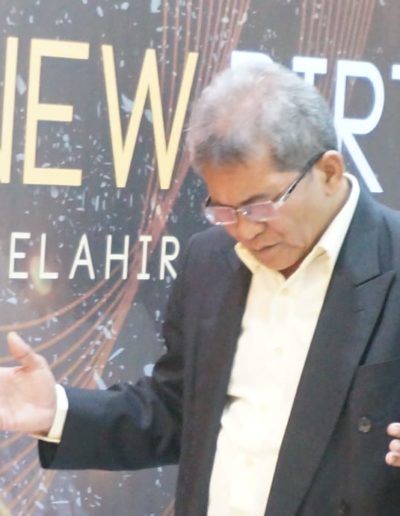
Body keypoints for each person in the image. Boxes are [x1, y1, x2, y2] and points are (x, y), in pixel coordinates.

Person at [2, 61, 400, 516]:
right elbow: (178, 409)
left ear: (329, 171)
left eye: (260, 206)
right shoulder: (210, 260)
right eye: (224, 211)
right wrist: (55, 410)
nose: (245, 231)